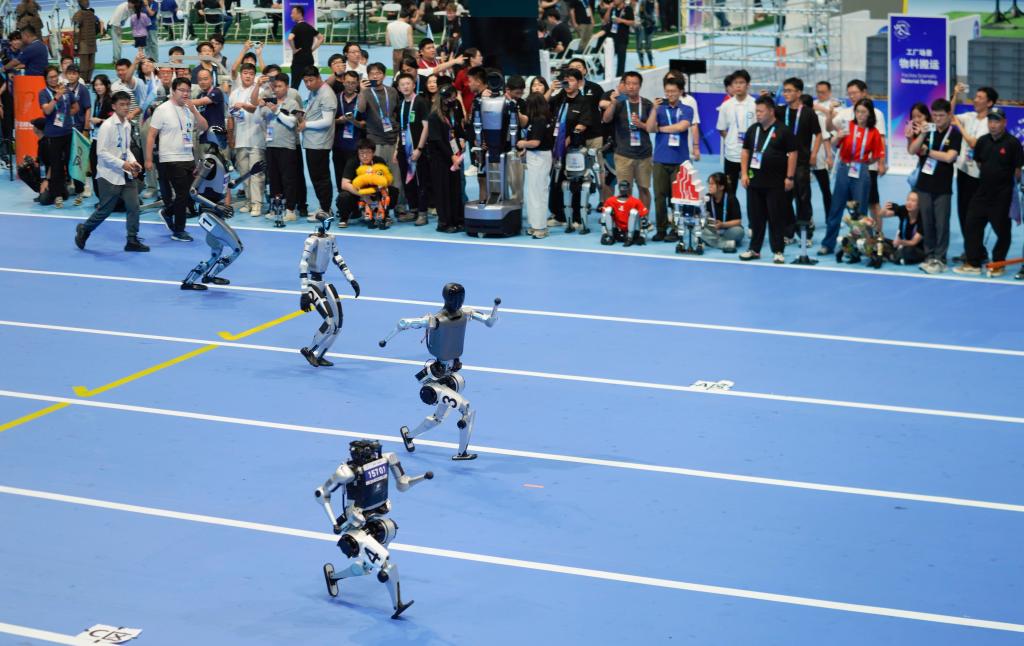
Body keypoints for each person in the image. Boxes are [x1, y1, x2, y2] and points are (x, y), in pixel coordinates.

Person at [75, 91, 148, 252]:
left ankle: (132, 239)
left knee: (134, 206)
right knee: (105, 210)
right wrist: (122, 164)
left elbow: (126, 149)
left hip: (125, 174)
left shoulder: (127, 124)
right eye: (122, 104)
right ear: (114, 107)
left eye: (127, 104)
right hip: (108, 176)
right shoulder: (107, 126)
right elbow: (101, 153)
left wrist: (133, 162)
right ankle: (84, 229)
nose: (125, 107)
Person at [955, 107, 1023, 277]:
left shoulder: (1013, 143)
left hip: (1002, 195)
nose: (993, 125)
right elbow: (979, 163)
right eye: (990, 121)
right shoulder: (982, 141)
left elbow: (1017, 171)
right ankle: (974, 262)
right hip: (982, 193)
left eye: (997, 121)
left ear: (1004, 122)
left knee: (1002, 231)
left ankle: (998, 263)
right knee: (971, 224)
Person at [146, 77, 209, 241]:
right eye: (182, 90)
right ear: (173, 91)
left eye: (188, 91)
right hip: (170, 158)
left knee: (189, 194)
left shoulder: (189, 110)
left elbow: (204, 126)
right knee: (182, 194)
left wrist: (194, 110)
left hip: (188, 156)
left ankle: (168, 212)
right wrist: (148, 159)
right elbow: (151, 135)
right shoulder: (162, 109)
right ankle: (179, 231)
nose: (185, 93)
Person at [820, 98, 885, 255]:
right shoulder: (847, 126)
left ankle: (860, 245)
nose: (860, 115)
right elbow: (832, 138)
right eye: (857, 111)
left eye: (863, 112)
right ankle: (828, 244)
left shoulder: (874, 132)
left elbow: (877, 154)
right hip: (844, 169)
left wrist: (866, 163)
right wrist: (837, 135)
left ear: (870, 114)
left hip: (861, 171)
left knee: (860, 211)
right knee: (836, 208)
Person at [739, 95, 797, 263]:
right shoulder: (753, 129)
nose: (757, 114)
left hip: (775, 183)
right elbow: (745, 152)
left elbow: (793, 153)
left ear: (771, 111)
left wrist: (790, 177)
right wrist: (744, 173)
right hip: (754, 182)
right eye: (756, 111)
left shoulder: (783, 130)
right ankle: (754, 249)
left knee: (775, 218)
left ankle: (778, 250)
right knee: (755, 218)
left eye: (761, 111)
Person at [908, 98, 960, 274]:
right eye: (935, 115)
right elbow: (912, 150)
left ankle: (940, 258)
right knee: (927, 223)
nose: (937, 119)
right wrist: (922, 135)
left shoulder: (954, 133)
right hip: (923, 185)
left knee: (941, 224)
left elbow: (949, 157)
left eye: (941, 115)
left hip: (942, 187)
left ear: (949, 115)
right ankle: (929, 256)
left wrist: (928, 152)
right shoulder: (927, 130)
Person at [950, 84, 996, 263]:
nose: (975, 100)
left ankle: (976, 251)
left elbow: (974, 143)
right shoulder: (969, 116)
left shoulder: (990, 122)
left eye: (980, 98)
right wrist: (955, 94)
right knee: (962, 213)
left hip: (978, 176)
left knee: (974, 215)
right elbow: (949, 114)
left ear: (989, 103)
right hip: (963, 170)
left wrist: (960, 127)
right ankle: (973, 250)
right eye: (975, 96)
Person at [645, 76, 692, 242]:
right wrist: (653, 110)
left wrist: (661, 129)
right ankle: (661, 229)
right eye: (667, 91)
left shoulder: (687, 109)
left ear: (680, 92)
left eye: (673, 91)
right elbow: (650, 128)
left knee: (677, 198)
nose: (670, 94)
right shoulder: (659, 109)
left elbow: (681, 127)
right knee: (659, 197)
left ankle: (676, 229)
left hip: (679, 160)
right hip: (660, 158)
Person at [831, 79, 886, 217]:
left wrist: (880, 163)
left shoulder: (877, 114)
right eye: (849, 93)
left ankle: (874, 230)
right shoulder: (845, 116)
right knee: (845, 203)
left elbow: (881, 141)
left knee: (871, 202)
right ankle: (850, 229)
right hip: (846, 166)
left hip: (865, 167)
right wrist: (828, 113)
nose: (852, 96)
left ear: (864, 92)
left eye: (854, 92)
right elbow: (831, 131)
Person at [550, 68, 596, 230]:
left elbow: (583, 124)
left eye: (571, 80)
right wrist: (551, 90)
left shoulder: (584, 101)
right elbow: (544, 107)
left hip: (574, 149)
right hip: (556, 148)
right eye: (565, 80)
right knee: (556, 181)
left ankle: (577, 216)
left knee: (575, 182)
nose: (567, 83)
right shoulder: (559, 98)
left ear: (579, 82)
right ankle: (559, 215)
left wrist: (567, 139)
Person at [776, 77, 821, 243]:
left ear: (799, 92)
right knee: (784, 199)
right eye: (784, 91)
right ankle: (788, 233)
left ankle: (805, 235)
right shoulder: (780, 111)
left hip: (801, 162)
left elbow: (818, 134)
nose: (785, 94)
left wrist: (814, 154)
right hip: (783, 162)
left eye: (789, 91)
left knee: (803, 199)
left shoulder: (808, 113)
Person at [603, 71, 653, 212]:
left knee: (644, 189)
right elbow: (606, 119)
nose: (631, 87)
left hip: (644, 154)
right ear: (624, 85)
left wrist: (641, 125)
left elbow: (653, 128)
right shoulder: (618, 103)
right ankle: (626, 220)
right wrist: (612, 103)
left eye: (635, 84)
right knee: (625, 190)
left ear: (640, 86)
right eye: (628, 83)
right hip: (623, 155)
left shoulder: (647, 104)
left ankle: (643, 219)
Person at [358, 62, 402, 214]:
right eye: (372, 73)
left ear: (384, 75)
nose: (375, 76)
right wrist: (362, 91)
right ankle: (376, 208)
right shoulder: (366, 92)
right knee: (376, 177)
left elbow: (396, 112)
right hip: (375, 140)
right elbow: (361, 109)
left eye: (378, 73)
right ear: (368, 76)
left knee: (396, 177)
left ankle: (398, 207)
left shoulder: (392, 91)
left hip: (393, 138)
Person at [298, 66, 338, 220]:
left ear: (319, 78)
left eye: (311, 80)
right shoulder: (315, 91)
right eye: (305, 81)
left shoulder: (326, 94)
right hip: (312, 142)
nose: (308, 84)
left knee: (321, 178)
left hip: (320, 143)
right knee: (316, 177)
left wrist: (305, 124)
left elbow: (327, 121)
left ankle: (326, 209)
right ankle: (324, 207)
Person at [426, 83, 467, 233]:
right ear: (442, 99)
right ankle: (444, 222)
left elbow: (458, 130)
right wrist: (451, 156)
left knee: (455, 188)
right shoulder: (434, 117)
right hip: (440, 158)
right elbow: (437, 140)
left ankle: (458, 219)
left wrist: (463, 139)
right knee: (443, 190)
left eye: (454, 97)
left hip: (454, 156)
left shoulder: (453, 112)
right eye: (450, 98)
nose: (452, 100)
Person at [261, 72, 302, 221]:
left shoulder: (292, 103)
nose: (276, 89)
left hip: (287, 147)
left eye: (280, 86)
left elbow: (292, 122)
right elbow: (259, 119)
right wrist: (261, 106)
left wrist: (276, 110)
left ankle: (290, 210)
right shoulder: (269, 102)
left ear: (287, 87)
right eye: (275, 86)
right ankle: (275, 208)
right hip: (271, 145)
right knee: (274, 179)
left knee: (288, 179)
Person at [38, 65, 79, 208]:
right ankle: (57, 195)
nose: (54, 79)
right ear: (46, 79)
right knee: (55, 165)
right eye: (50, 77)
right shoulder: (43, 93)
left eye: (55, 76)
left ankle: (72, 188)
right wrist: (57, 97)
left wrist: (66, 116)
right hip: (53, 135)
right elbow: (47, 111)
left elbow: (75, 107)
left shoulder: (66, 90)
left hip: (67, 133)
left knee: (69, 162)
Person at [230, 63, 267, 216]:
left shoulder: (261, 91)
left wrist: (243, 105)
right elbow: (231, 117)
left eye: (251, 73)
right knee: (244, 173)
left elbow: (255, 107)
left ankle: (257, 204)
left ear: (255, 76)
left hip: (257, 139)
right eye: (245, 73)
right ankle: (248, 201)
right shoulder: (234, 94)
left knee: (257, 174)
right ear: (241, 75)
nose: (248, 76)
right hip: (240, 139)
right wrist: (231, 137)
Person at [338, 138, 400, 228]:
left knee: (393, 191)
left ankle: (384, 214)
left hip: (376, 192)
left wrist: (376, 190)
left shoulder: (379, 161)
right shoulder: (352, 162)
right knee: (343, 196)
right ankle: (344, 218)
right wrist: (362, 194)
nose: (364, 156)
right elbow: (344, 184)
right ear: (358, 153)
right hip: (358, 193)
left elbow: (388, 180)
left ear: (373, 153)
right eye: (361, 153)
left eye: (368, 153)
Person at [517, 92, 553, 238]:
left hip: (540, 158)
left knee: (538, 193)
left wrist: (523, 143)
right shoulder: (538, 119)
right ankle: (535, 224)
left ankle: (541, 227)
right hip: (536, 157)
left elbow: (536, 142)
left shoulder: (539, 120)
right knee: (533, 192)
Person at [396, 72, 431, 226]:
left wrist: (419, 148)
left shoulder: (421, 102)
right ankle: (413, 209)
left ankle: (423, 212)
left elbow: (426, 127)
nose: (405, 87)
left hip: (417, 149)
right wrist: (397, 149)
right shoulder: (401, 104)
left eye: (408, 84)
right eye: (402, 84)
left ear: (413, 85)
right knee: (407, 180)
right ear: (399, 87)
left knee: (420, 181)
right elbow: (401, 128)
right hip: (403, 148)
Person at [332, 70, 364, 225]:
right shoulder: (336, 98)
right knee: (340, 178)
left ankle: (356, 208)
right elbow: (330, 120)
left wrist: (353, 122)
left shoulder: (362, 99)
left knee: (355, 179)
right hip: (338, 146)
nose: (350, 85)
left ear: (357, 84)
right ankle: (343, 207)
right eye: (348, 82)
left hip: (356, 148)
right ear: (343, 82)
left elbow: (364, 124)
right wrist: (340, 121)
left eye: (353, 83)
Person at [701, 171, 744, 251]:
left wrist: (722, 225)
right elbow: (702, 217)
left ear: (721, 187)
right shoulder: (707, 198)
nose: (709, 186)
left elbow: (738, 221)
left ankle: (710, 241)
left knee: (739, 232)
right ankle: (724, 244)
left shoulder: (731, 199)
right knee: (696, 229)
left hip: (727, 230)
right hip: (713, 230)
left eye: (712, 184)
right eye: (709, 183)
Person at [878, 193, 925, 265]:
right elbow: (881, 215)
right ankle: (895, 256)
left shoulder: (923, 218)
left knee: (908, 250)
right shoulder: (903, 209)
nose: (909, 203)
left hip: (915, 248)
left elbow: (913, 242)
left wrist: (900, 242)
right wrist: (884, 209)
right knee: (878, 240)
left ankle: (891, 256)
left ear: (919, 204)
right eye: (908, 200)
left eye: (913, 201)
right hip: (900, 245)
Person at [811, 80, 836, 215]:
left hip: (826, 149)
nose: (820, 94)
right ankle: (806, 219)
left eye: (823, 92)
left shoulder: (836, 104)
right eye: (818, 92)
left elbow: (837, 119)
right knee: (802, 190)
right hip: (808, 150)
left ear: (829, 92)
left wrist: (822, 109)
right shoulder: (811, 104)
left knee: (825, 189)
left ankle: (830, 217)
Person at [287, 6, 323, 90]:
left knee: (294, 85)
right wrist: (312, 49)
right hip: (309, 59)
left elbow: (290, 38)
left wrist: (294, 50)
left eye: (293, 13)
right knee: (313, 83)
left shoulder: (296, 27)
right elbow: (321, 38)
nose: (291, 15)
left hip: (298, 60)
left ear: (299, 14)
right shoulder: (309, 27)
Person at [603, 0, 634, 77]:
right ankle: (606, 76)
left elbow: (632, 22)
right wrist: (609, 9)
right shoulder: (613, 9)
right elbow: (605, 20)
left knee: (621, 60)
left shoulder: (628, 9)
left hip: (622, 38)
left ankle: (620, 77)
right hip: (611, 38)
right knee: (607, 59)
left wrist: (621, 20)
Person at [72, 0, 100, 82]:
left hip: (89, 43)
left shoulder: (82, 14)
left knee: (90, 66)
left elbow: (76, 31)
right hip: (86, 43)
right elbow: (76, 31)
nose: (87, 2)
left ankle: (86, 81)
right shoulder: (86, 14)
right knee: (85, 66)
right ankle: (83, 81)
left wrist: (76, 44)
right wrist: (76, 44)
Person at [386, 8, 414, 73]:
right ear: (407, 17)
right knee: (406, 72)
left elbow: (387, 43)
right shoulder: (408, 26)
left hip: (395, 52)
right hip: (405, 52)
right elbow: (411, 45)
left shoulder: (389, 25)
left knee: (396, 72)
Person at [635, 0, 657, 69]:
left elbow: (641, 13)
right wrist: (651, 21)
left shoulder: (645, 2)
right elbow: (641, 13)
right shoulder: (645, 2)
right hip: (646, 24)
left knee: (642, 45)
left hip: (646, 25)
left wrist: (650, 21)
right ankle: (647, 64)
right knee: (644, 45)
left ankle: (646, 64)